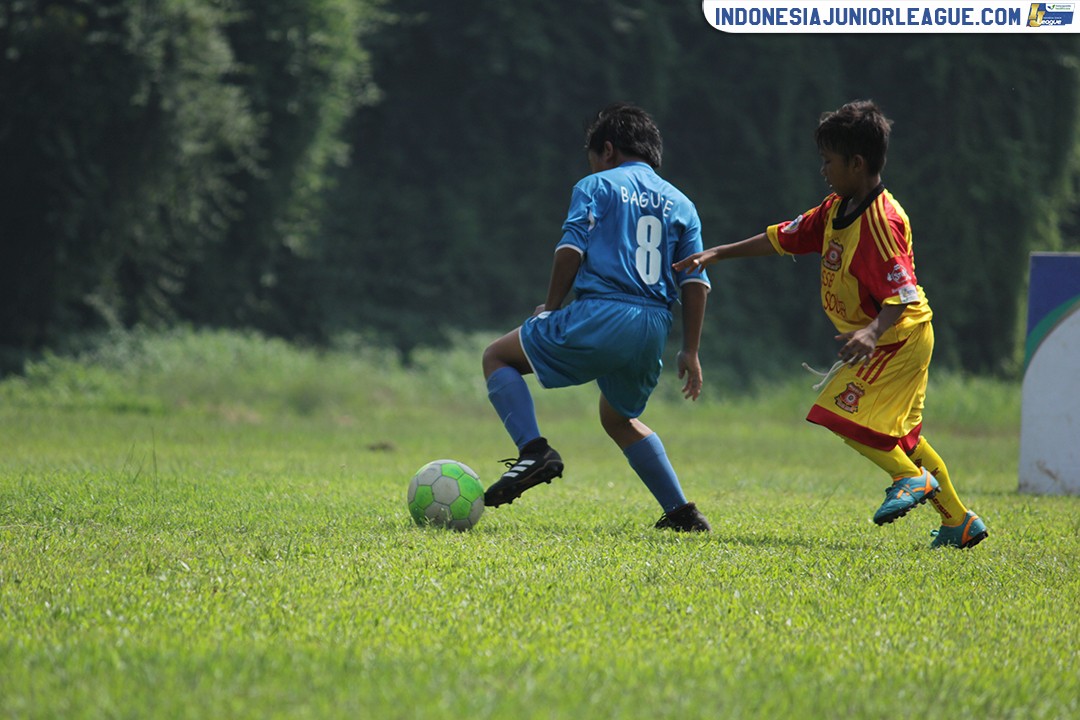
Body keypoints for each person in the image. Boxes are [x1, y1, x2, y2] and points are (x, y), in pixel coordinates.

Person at [674, 100, 988, 549]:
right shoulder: (836, 207)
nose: (823, 170)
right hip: (891, 337)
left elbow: (903, 295)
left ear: (857, 163)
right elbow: (781, 237)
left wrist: (871, 332)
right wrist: (718, 253)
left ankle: (908, 479)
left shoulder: (883, 221)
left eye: (829, 161)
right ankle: (959, 521)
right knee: (903, 436)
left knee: (838, 413)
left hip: (898, 339)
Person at [481, 103, 712, 532]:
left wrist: (550, 306)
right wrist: (691, 349)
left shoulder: (596, 185)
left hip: (605, 311)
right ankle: (682, 513)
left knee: (497, 357)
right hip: (654, 325)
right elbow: (695, 282)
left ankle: (534, 451)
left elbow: (571, 248)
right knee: (618, 418)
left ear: (607, 150)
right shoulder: (683, 203)